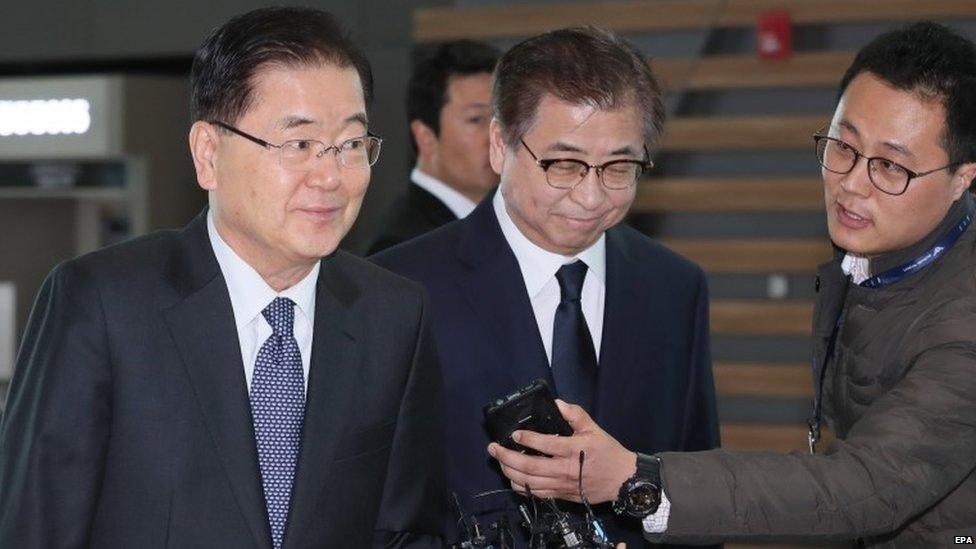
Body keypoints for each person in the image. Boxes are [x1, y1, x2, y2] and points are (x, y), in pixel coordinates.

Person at [490, 22, 976, 548]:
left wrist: (639, 479)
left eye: (890, 166)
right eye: (843, 147)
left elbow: (867, 484)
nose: (852, 183)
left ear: (963, 177)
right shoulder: (876, 257)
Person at [0, 7, 444, 548]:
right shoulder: (102, 304)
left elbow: (405, 530)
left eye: (351, 145)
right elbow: (36, 528)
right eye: (298, 145)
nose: (331, 175)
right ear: (208, 153)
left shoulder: (393, 314)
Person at [374, 26, 719, 547]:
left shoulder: (674, 287)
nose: (590, 195)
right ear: (500, 145)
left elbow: (697, 492)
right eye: (564, 163)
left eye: (619, 166)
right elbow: (374, 512)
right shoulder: (401, 288)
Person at [367, 39, 500, 254]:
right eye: (476, 120)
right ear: (425, 136)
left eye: (501, 118)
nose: (496, 136)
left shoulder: (498, 222)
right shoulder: (401, 245)